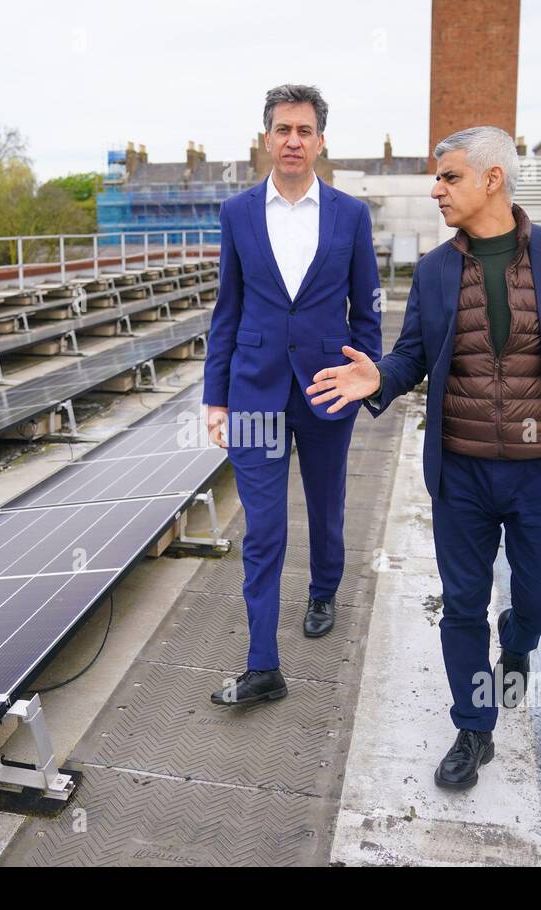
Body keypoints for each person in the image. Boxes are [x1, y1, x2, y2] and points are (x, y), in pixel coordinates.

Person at [305, 125, 541, 788]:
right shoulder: (438, 270)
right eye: (436, 177)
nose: (436, 189)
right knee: (463, 602)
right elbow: (413, 352)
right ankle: (474, 730)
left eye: (448, 177)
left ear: (492, 179)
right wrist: (379, 377)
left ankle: (521, 638)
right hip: (463, 471)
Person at [203, 84, 382, 706]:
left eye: (304, 131)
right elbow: (226, 310)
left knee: (326, 506)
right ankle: (262, 665)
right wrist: (215, 396)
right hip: (253, 393)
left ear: (320, 141)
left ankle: (324, 590)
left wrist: (364, 375)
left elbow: (368, 308)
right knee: (264, 528)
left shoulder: (351, 216)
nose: (293, 141)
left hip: (327, 389)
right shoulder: (237, 214)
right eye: (283, 129)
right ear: (267, 138)